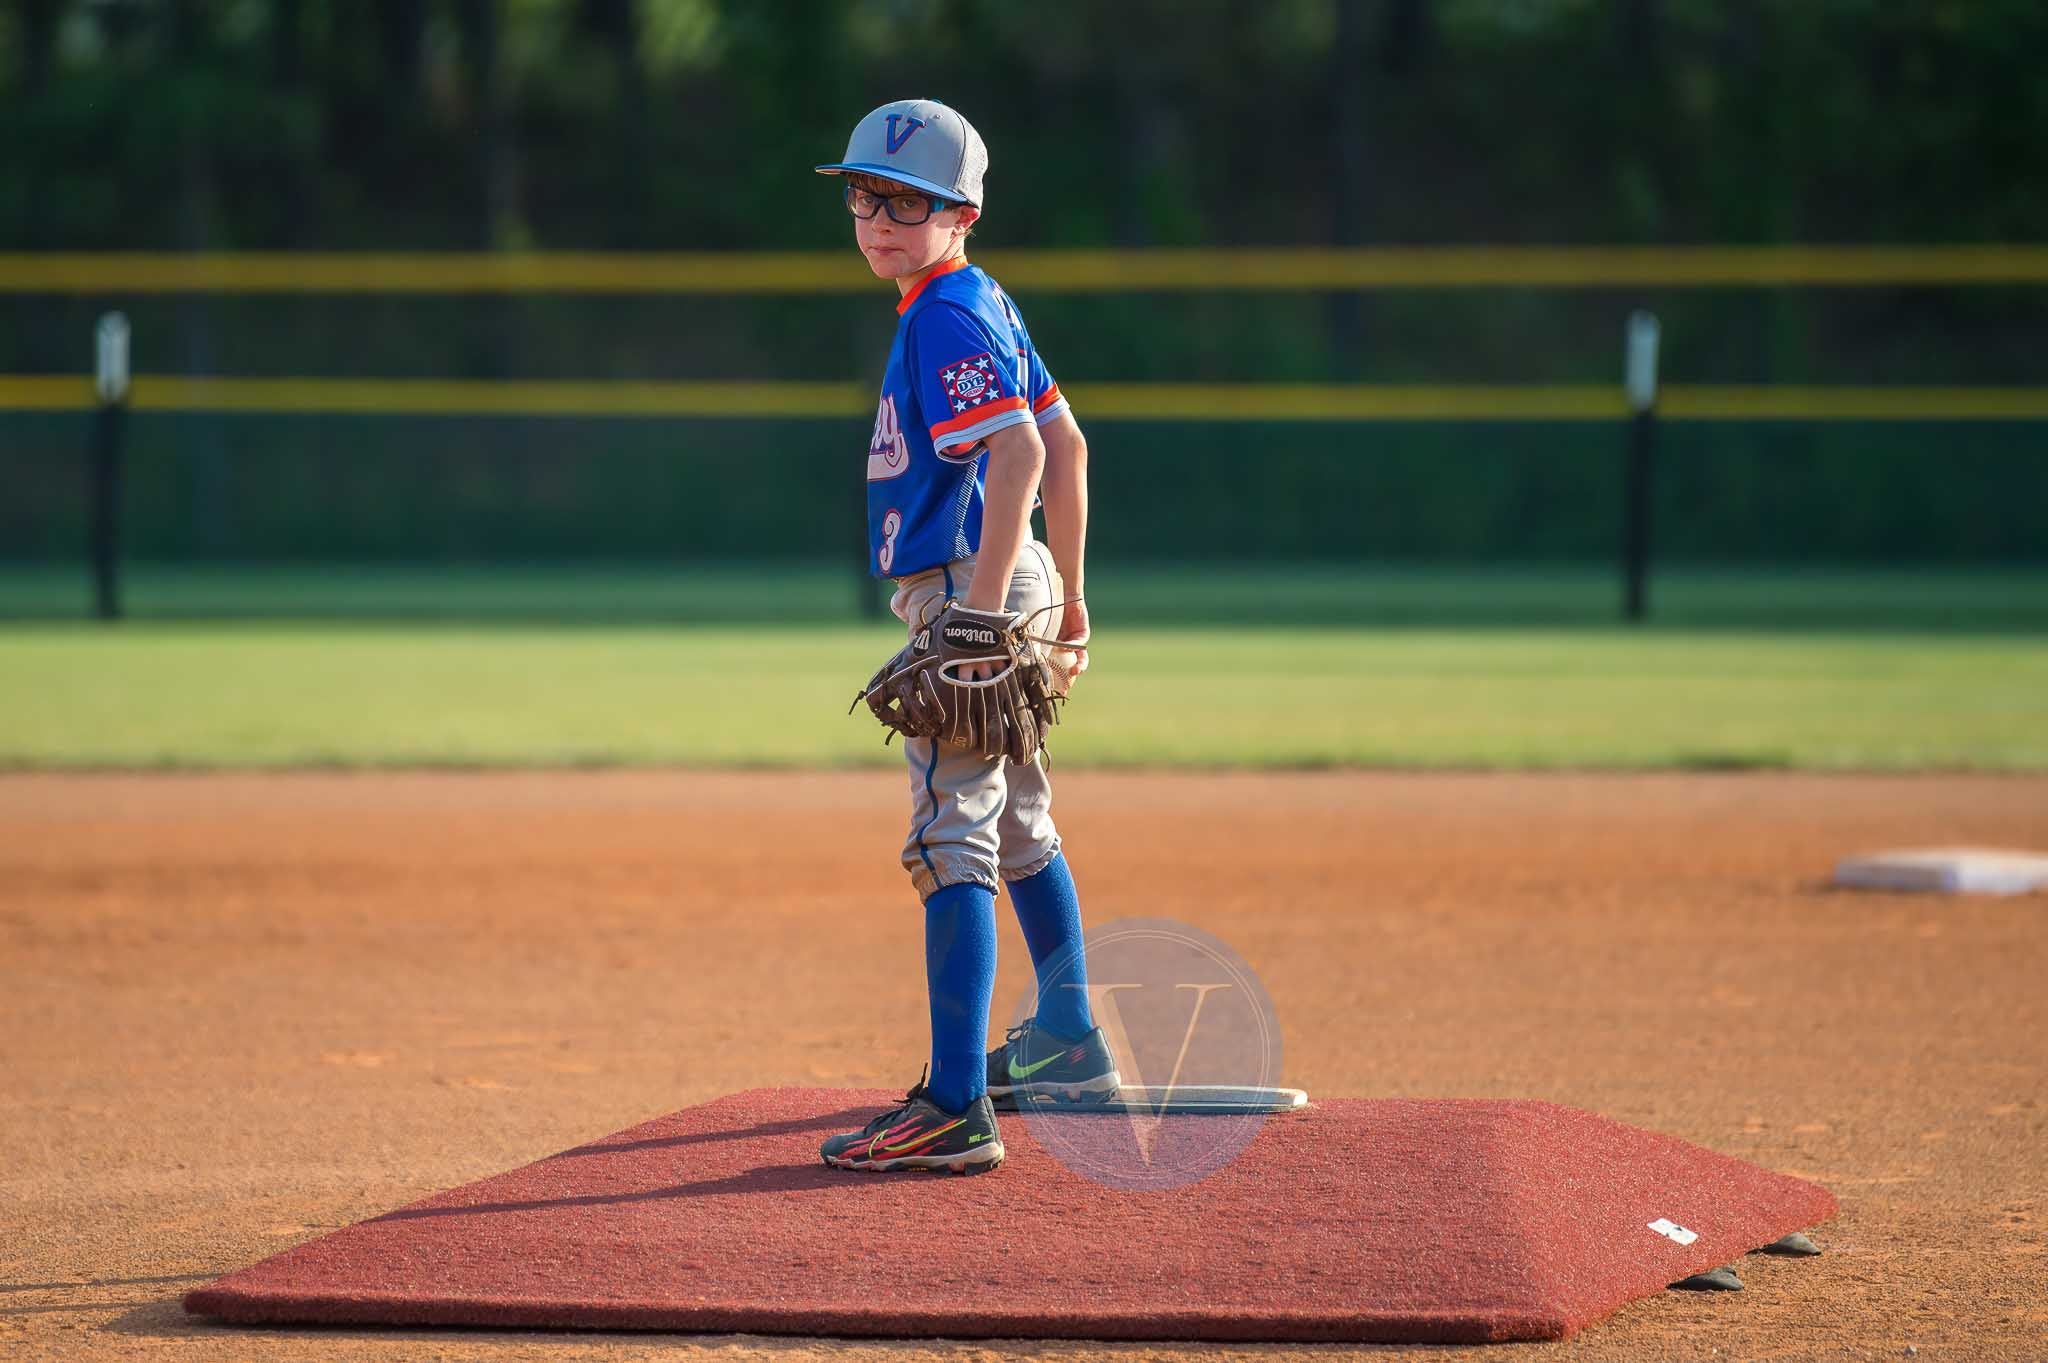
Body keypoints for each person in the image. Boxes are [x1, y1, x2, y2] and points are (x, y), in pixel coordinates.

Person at [813, 100, 1118, 1175]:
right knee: (1020, 822)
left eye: (906, 200)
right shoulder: (975, 297)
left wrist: (984, 612)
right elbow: (1067, 440)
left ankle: (952, 1104)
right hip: (1010, 581)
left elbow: (1023, 454)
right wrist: (1066, 601)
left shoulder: (940, 314)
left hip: (968, 586)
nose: (878, 218)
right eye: (862, 195)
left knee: (954, 836)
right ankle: (1068, 1044)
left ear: (963, 210)